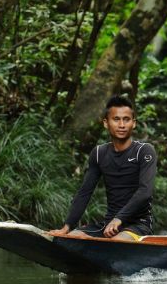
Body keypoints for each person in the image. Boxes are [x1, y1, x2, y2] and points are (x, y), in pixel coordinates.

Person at [50, 95, 156, 241]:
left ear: (134, 123)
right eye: (116, 119)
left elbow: (145, 191)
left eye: (126, 119)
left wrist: (119, 219)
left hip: (138, 225)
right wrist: (67, 227)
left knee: (118, 241)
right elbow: (85, 192)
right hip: (109, 224)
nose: (122, 125)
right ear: (106, 123)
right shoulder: (99, 153)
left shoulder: (144, 151)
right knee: (72, 237)